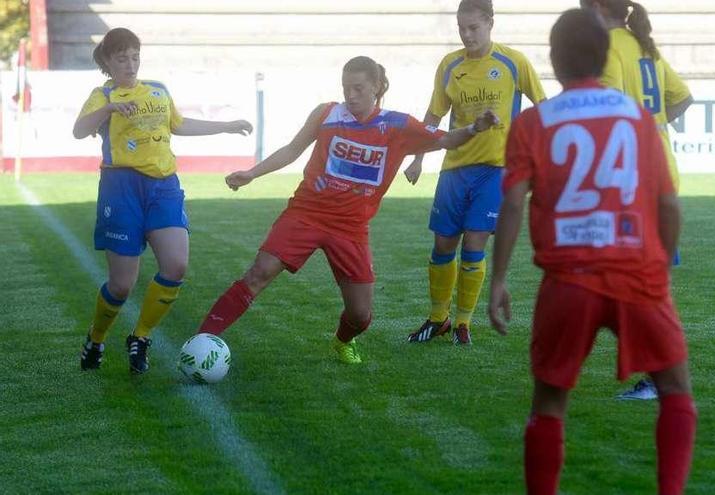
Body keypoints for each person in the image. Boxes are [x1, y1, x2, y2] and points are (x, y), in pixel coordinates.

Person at [488, 9, 696, 495]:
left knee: (548, 403)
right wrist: (662, 265)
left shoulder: (533, 123)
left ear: (554, 61)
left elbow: (513, 203)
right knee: (675, 391)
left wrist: (499, 280)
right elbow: (668, 204)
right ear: (605, 56)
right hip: (637, 274)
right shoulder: (640, 120)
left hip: (567, 280)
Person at [196, 56, 499, 364]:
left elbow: (447, 139)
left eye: (358, 88)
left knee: (361, 315)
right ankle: (201, 342)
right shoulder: (327, 113)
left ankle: (342, 341)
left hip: (351, 228)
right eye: (346, 88)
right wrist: (252, 173)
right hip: (306, 213)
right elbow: (292, 149)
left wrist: (475, 127)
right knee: (259, 272)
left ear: (377, 87)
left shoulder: (398, 125)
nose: (350, 95)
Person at [74, 28, 253, 374]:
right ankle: (96, 338)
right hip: (120, 188)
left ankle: (140, 337)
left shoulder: (157, 90)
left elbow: (180, 125)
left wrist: (227, 126)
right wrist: (109, 108)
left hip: (164, 186)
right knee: (122, 284)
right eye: (122, 57)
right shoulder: (103, 94)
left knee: (175, 266)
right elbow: (79, 130)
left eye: (135, 56)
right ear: (108, 62)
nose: (130, 63)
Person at [404, 0, 546, 346]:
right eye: (461, 28)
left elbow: (543, 109)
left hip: (495, 171)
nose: (466, 35)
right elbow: (434, 116)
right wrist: (419, 158)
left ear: (490, 23)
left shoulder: (514, 62)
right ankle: (439, 318)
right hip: (454, 167)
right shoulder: (450, 65)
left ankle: (463, 323)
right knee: (442, 244)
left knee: (475, 242)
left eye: (473, 28)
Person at [583, 0, 694, 401]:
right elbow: (682, 97)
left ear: (594, 6)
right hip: (662, 173)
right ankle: (659, 374)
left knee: (641, 285)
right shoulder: (645, 46)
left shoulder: (608, 47)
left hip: (635, 182)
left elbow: (606, 116)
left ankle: (658, 378)